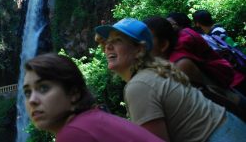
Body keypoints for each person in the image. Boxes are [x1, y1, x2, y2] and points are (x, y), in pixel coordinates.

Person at [95, 18, 246, 142]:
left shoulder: (140, 85)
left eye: (117, 40)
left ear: (139, 49)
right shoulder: (158, 71)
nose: (107, 46)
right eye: (107, 42)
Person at [23, 53, 164, 142]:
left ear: (74, 93)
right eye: (27, 92)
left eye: (43, 88)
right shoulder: (93, 120)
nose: (32, 100)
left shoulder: (75, 133)